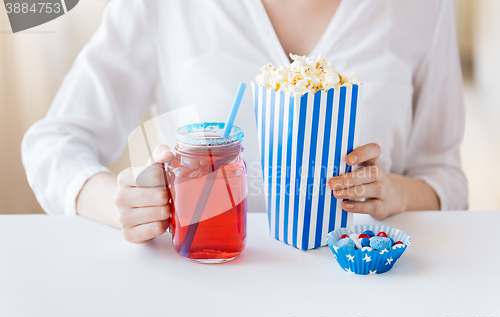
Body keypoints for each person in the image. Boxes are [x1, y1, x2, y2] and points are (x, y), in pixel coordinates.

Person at [22, 0, 468, 244]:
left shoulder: (422, 8)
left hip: (369, 291)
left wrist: (394, 192)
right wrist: (126, 205)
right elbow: (53, 143)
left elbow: (446, 177)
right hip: (205, 286)